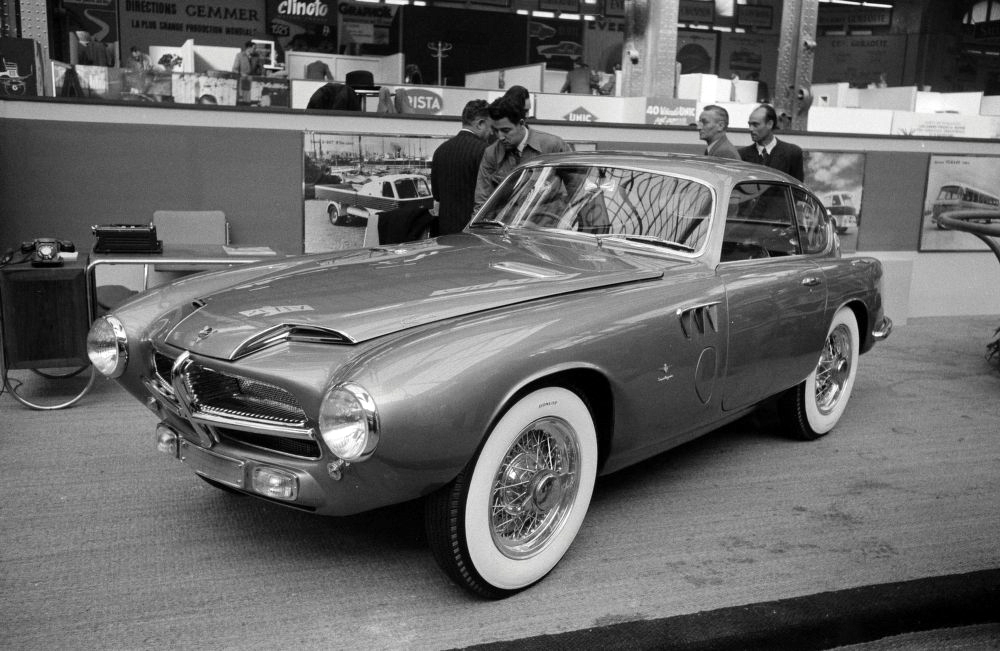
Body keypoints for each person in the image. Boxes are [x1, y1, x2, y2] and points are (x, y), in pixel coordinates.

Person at [473, 96, 571, 212]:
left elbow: (577, 187)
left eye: (506, 130)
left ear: (521, 123)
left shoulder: (553, 146)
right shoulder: (491, 154)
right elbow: (482, 203)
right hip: (507, 227)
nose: (500, 137)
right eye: (495, 130)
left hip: (546, 224)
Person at [431, 99, 492, 234]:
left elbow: (437, 194)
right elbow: (489, 197)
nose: (491, 133)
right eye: (490, 127)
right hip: (474, 232)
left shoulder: (440, 150)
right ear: (481, 124)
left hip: (445, 230)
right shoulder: (486, 151)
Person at [739, 103, 804, 181]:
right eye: (749, 124)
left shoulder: (792, 153)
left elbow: (798, 188)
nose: (751, 129)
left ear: (770, 124)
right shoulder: (742, 155)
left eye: (755, 125)